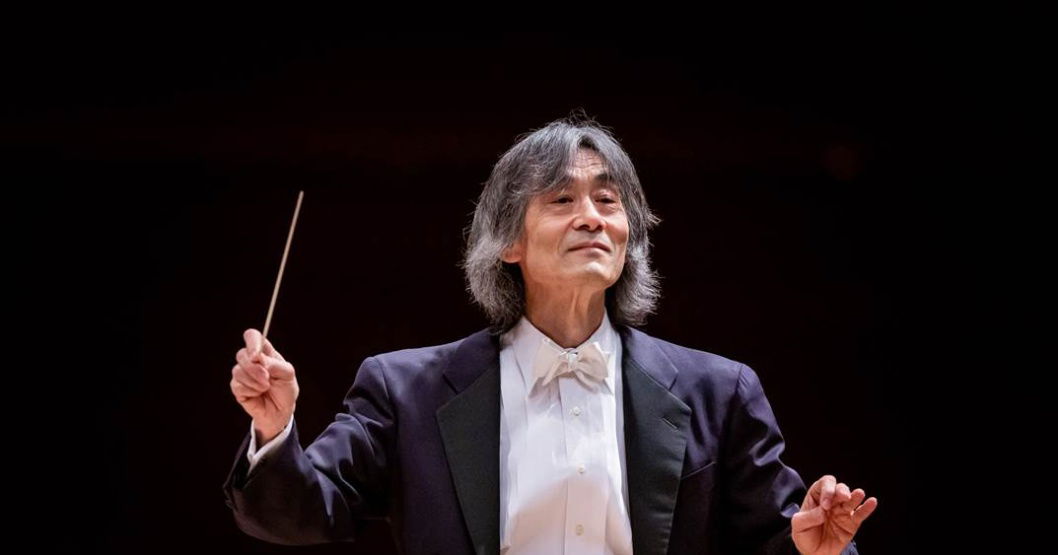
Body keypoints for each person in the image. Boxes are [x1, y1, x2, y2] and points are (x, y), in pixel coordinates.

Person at [223, 114, 878, 555]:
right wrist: (274, 430)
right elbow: (300, 512)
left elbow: (783, 537)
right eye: (562, 200)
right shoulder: (405, 391)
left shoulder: (720, 392)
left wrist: (814, 548)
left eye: (608, 200)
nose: (592, 217)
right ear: (509, 242)